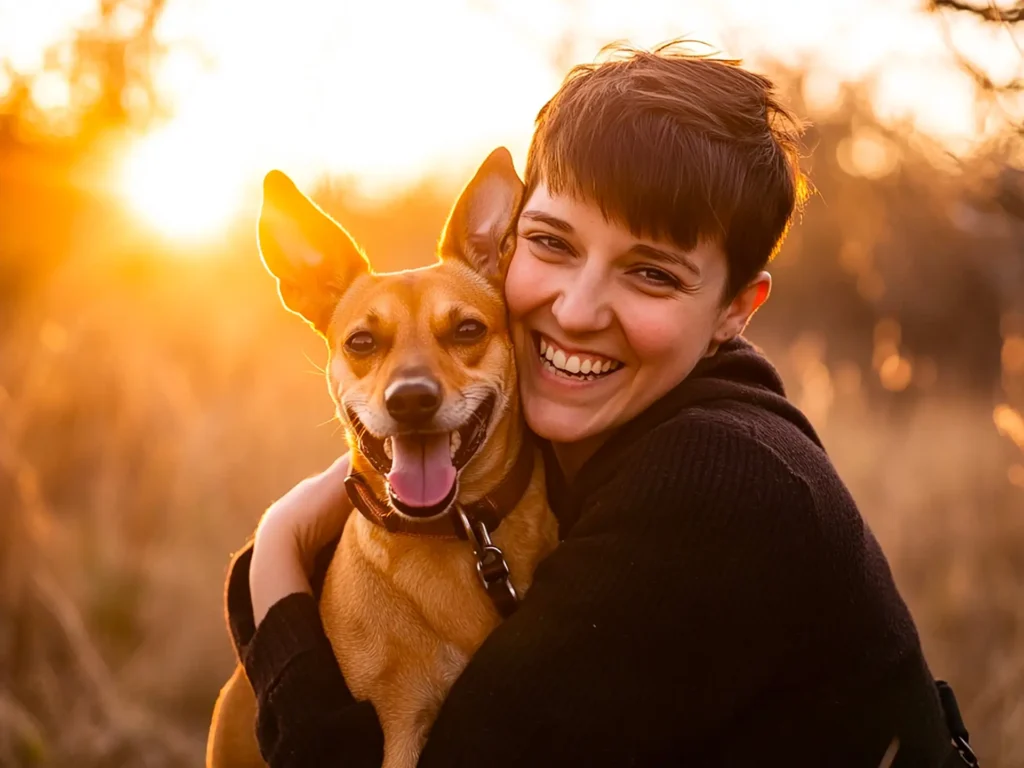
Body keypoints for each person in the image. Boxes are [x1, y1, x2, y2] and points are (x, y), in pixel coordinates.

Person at [224, 43, 970, 767]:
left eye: (652, 274)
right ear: (507, 243)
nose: (578, 312)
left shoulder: (719, 484)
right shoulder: (587, 435)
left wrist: (280, 549)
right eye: (552, 242)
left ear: (734, 311)